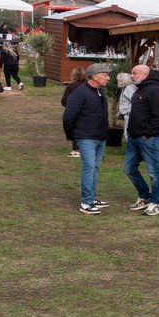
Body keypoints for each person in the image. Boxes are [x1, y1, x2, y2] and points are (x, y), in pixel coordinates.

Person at [63, 62, 112, 214]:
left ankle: (91, 197)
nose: (108, 78)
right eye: (105, 75)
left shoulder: (100, 92)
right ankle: (86, 202)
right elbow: (68, 117)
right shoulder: (80, 93)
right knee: (89, 168)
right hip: (86, 137)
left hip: (100, 137)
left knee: (95, 168)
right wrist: (73, 137)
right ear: (95, 77)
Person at [123, 63, 159, 216]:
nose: (132, 76)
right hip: (134, 137)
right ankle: (144, 196)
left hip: (148, 138)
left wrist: (148, 133)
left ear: (145, 74)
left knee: (153, 171)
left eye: (135, 73)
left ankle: (155, 202)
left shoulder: (154, 90)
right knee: (128, 168)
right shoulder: (139, 90)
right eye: (132, 73)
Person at [61, 67, 87, 156]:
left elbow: (64, 101)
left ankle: (76, 149)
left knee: (74, 129)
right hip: (87, 112)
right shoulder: (88, 85)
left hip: (75, 112)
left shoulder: (70, 86)